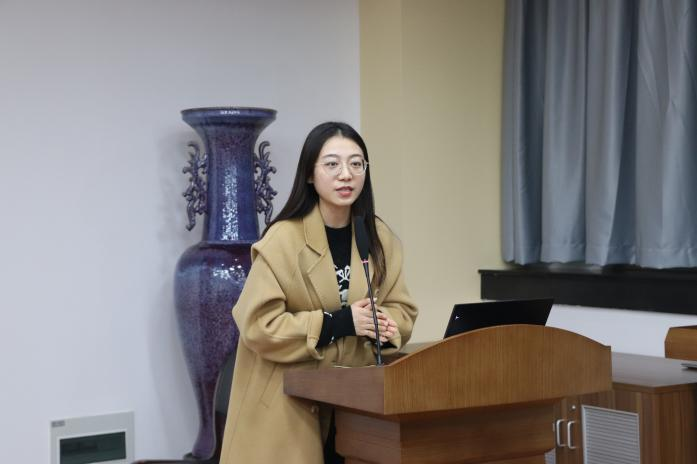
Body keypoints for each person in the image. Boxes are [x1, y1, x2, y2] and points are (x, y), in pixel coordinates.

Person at [219, 122, 419, 464]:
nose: (346, 174)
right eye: (332, 164)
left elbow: (401, 309)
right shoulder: (283, 240)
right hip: (288, 403)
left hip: (356, 402)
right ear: (310, 174)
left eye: (356, 164)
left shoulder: (378, 237)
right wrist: (339, 322)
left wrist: (385, 326)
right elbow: (258, 325)